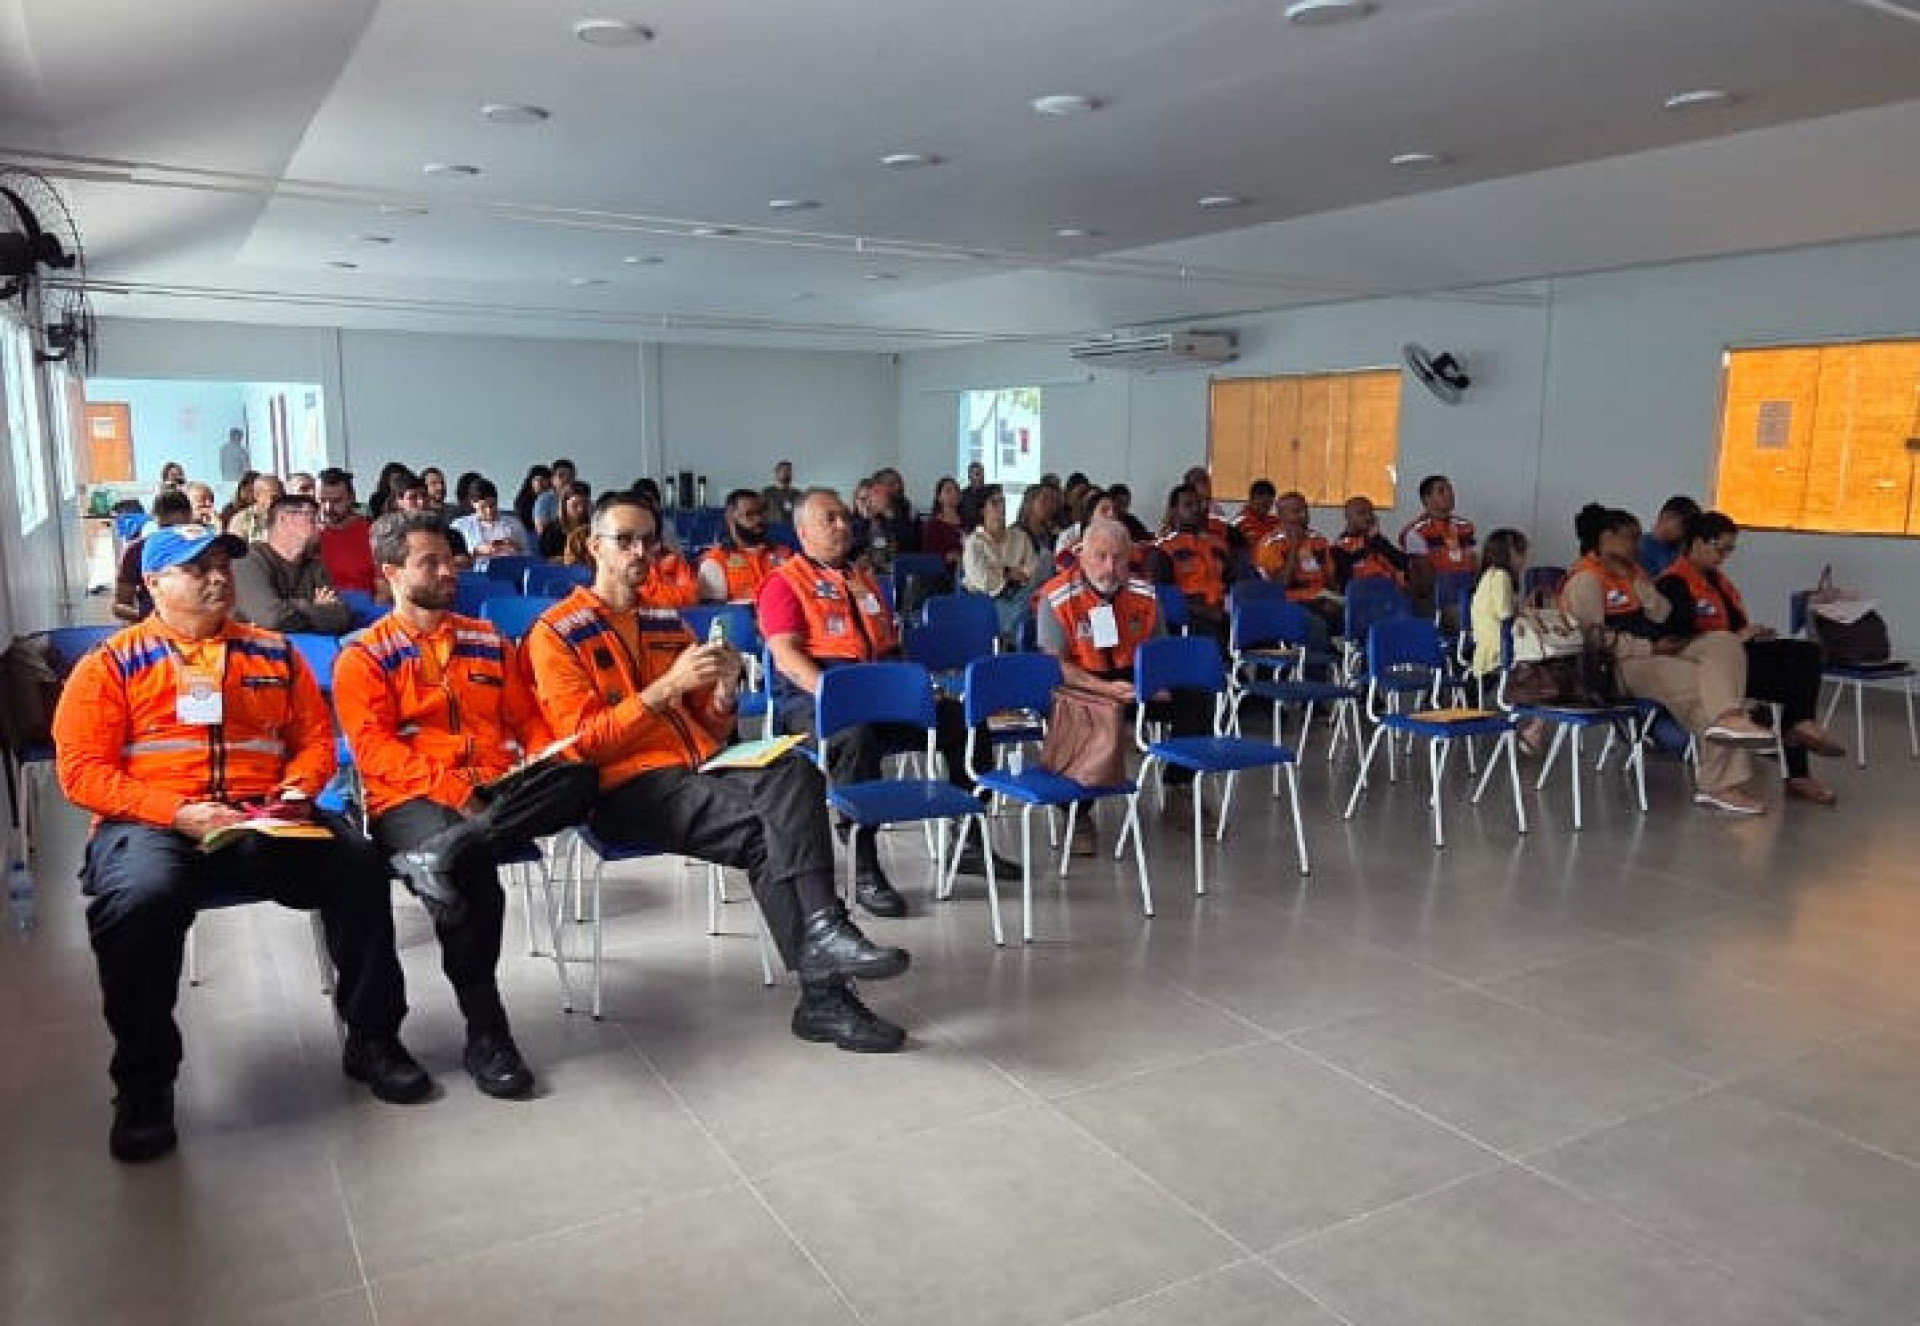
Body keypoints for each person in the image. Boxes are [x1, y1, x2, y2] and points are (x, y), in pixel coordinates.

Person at [53, 523, 422, 1163]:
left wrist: (296, 792)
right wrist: (177, 811)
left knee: (358, 865)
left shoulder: (273, 653)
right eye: (196, 568)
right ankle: (144, 1086)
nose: (218, 576)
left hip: (262, 815)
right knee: (138, 902)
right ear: (153, 584)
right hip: (154, 822)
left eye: (222, 562)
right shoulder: (110, 665)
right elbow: (82, 772)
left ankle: (373, 1039)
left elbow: (312, 739)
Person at [527, 493, 913, 1052]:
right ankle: (824, 992)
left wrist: (726, 691)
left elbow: (707, 725)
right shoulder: (558, 632)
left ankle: (826, 937)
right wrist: (666, 690)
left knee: (795, 773)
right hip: (625, 786)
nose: (640, 552)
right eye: (625, 541)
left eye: (649, 542)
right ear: (594, 547)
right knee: (767, 831)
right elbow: (586, 744)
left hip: (698, 765)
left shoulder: (665, 621)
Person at [335, 511, 600, 1097]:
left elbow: (527, 720)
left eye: (449, 558)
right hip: (412, 797)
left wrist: (539, 759)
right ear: (392, 573)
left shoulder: (486, 640)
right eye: (429, 561)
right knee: (470, 873)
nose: (448, 569)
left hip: (496, 786)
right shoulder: (364, 654)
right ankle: (487, 1031)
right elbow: (374, 751)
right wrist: (460, 793)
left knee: (579, 779)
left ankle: (449, 850)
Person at [761, 488, 1010, 918]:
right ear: (803, 532)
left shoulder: (862, 578)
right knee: (854, 738)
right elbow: (786, 656)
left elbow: (889, 645)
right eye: (830, 519)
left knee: (961, 719)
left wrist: (916, 689)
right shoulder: (784, 583)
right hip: (816, 697)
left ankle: (969, 839)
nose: (843, 525)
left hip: (879, 689)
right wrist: (836, 697)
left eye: (844, 517)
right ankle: (865, 868)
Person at [1562, 504, 1774, 815]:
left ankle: (1729, 717)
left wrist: (1636, 583)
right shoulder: (1586, 580)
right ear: (1606, 538)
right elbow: (1593, 641)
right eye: (1630, 538)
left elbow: (1663, 613)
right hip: (1620, 666)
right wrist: (1650, 649)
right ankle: (1719, 784)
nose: (1638, 545)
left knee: (1724, 643)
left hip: (1656, 647)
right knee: (1703, 687)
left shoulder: (1632, 574)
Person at [1035, 517, 1207, 853]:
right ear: (1082, 554)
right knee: (1083, 708)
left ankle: (1178, 787)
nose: (1110, 567)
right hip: (1081, 681)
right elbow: (1053, 665)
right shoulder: (1055, 597)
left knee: (1194, 696)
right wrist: (1105, 691)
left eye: (1119, 558)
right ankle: (1077, 812)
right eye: (1100, 556)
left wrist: (1155, 682)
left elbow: (1162, 651)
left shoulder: (1145, 593)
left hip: (1133, 676)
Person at [1655, 510, 1844, 805]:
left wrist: (1750, 633)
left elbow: (1729, 624)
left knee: (1805, 653)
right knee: (1794, 684)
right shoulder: (1673, 584)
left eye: (1730, 549)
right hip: (1709, 666)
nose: (1725, 556)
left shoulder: (1717, 581)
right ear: (1697, 543)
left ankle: (1801, 730)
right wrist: (1733, 639)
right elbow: (1674, 639)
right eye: (1721, 548)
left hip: (1737, 654)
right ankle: (1797, 766)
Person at [230, 493, 353, 635]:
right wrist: (314, 607)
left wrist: (290, 607)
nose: (322, 527)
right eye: (313, 519)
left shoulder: (315, 565)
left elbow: (342, 617)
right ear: (283, 520)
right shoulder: (248, 560)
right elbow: (272, 618)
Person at [1254, 490, 1340, 658]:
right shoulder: (1270, 544)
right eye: (1296, 511)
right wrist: (1294, 547)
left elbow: (1330, 579)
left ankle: (1362, 675)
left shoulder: (1318, 540)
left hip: (1322, 600)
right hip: (1288, 603)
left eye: (1305, 510)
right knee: (1317, 627)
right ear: (1280, 515)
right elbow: (1280, 586)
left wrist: (1335, 599)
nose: (1303, 516)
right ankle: (1316, 679)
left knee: (1364, 617)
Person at [1150, 483, 1231, 641]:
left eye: (1198, 504)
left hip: (1223, 610)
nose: (1196, 509)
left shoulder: (1218, 545)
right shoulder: (1164, 550)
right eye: (1188, 505)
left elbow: (1231, 582)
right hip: (1191, 616)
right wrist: (1208, 612)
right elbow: (1163, 599)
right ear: (1174, 511)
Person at [961, 486, 1040, 641]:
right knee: (1026, 612)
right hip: (987, 600)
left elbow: (1033, 569)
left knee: (1037, 598)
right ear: (982, 510)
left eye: (1003, 501)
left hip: (1021, 593)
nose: (1002, 507)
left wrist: (1006, 573)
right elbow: (982, 580)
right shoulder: (974, 542)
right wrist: (1008, 573)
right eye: (995, 503)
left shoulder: (1020, 537)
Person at [113, 490, 193, 623]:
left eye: (179, 528)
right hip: (153, 629)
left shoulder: (204, 548)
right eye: (166, 528)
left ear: (190, 518)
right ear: (155, 520)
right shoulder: (136, 550)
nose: (171, 535)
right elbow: (119, 607)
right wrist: (152, 619)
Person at [697, 488, 786, 603]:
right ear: (730, 518)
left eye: (761, 513)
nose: (758, 519)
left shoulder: (785, 554)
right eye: (749, 515)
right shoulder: (716, 561)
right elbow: (715, 614)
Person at [1469, 528, 1530, 682]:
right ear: (1507, 553)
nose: (1525, 559)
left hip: (1492, 643)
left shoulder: (1491, 574)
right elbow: (1506, 616)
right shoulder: (1501, 576)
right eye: (1521, 553)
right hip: (1497, 647)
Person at [1398, 474, 1478, 575]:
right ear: (1427, 499)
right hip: (1435, 585)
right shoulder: (1416, 532)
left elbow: (1473, 560)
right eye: (1441, 491)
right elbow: (1420, 571)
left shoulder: (1465, 526)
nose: (1449, 494)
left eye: (1450, 490)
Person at [315, 467, 376, 595]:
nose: (328, 508)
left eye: (336, 501)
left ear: (351, 498)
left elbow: (385, 588)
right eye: (322, 500)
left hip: (368, 608)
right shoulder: (309, 535)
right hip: (323, 610)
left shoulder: (374, 532)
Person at [1329, 496, 1409, 591]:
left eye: (1370, 513)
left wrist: (1376, 540)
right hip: (1363, 596)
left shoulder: (1377, 541)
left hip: (1390, 594)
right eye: (1361, 513)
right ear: (1347, 516)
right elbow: (1344, 579)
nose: (1368, 517)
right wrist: (1369, 544)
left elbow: (1404, 563)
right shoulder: (1339, 547)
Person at [450, 478, 530, 570]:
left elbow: (528, 557)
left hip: (510, 572)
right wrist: (476, 552)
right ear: (473, 503)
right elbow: (452, 561)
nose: (489, 511)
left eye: (493, 505)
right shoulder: (459, 526)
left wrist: (516, 548)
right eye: (483, 507)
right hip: (475, 575)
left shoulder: (514, 524)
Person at [1640, 495, 1700, 577]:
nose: (1683, 533)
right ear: (1667, 516)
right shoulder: (1640, 548)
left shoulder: (1675, 552)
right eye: (1683, 525)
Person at [538, 482, 594, 561]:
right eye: (575, 505)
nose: (581, 510)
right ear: (564, 505)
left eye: (584, 505)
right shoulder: (551, 531)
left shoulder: (592, 529)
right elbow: (548, 560)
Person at [920, 476, 966, 568]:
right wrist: (949, 557)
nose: (954, 493)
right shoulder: (933, 525)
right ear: (939, 497)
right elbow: (929, 558)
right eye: (948, 490)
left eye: (956, 489)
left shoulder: (968, 521)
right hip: (944, 575)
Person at [225, 472, 283, 544]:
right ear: (257, 495)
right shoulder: (241, 520)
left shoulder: (290, 517)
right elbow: (235, 551)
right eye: (274, 497)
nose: (280, 501)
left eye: (283, 497)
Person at [530, 458, 576, 535]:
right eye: (561, 476)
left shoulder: (580, 498)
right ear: (552, 479)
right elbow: (542, 531)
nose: (566, 479)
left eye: (570, 476)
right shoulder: (545, 499)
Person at [1233, 479, 1281, 547]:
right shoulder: (1240, 523)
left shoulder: (1276, 522)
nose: (1265, 505)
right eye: (1260, 501)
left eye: (1268, 503)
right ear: (1251, 499)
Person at [512, 464, 553, 533]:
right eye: (537, 480)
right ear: (531, 482)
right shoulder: (522, 501)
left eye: (543, 480)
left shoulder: (554, 499)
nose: (540, 483)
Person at [762, 459, 800, 528]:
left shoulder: (797, 494)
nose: (787, 473)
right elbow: (761, 511)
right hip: (773, 528)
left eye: (789, 470)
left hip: (793, 528)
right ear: (777, 473)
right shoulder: (767, 492)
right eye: (784, 470)